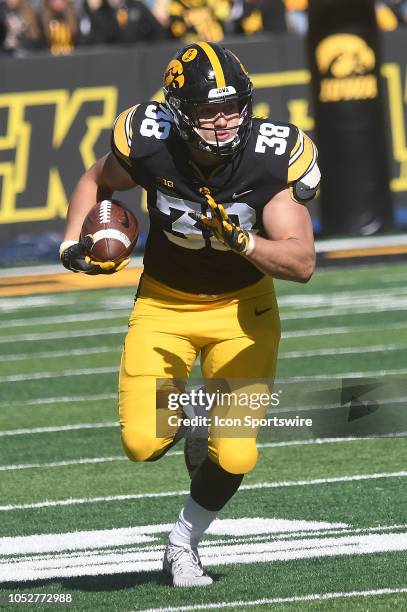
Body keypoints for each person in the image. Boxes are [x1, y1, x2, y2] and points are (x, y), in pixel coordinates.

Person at [59, 41, 319, 587]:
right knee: (141, 443)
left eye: (232, 108)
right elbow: (95, 180)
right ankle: (200, 413)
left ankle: (183, 544)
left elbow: (300, 262)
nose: (223, 123)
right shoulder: (151, 142)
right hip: (164, 303)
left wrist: (244, 241)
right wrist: (72, 244)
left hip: (244, 310)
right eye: (207, 111)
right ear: (180, 111)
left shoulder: (270, 156)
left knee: (239, 453)